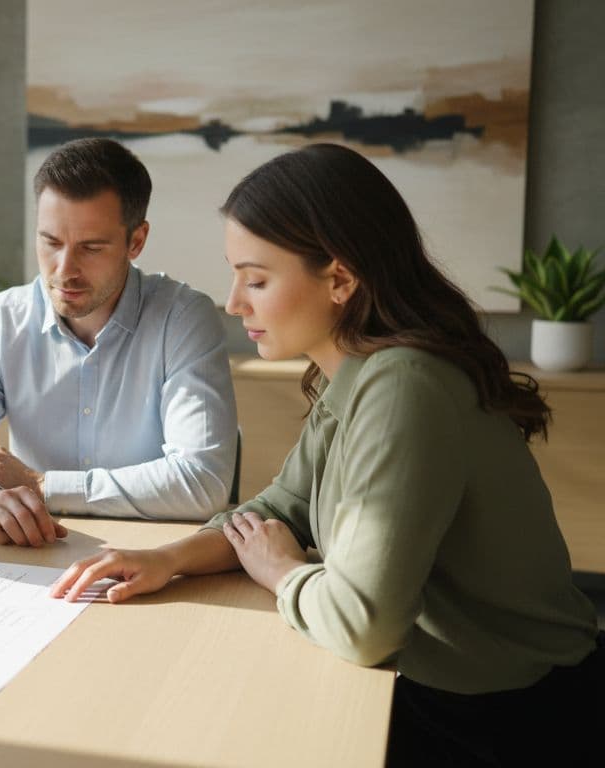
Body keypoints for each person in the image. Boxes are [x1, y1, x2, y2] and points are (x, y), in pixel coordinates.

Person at [51, 143, 602, 763]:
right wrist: (169, 559)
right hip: (443, 686)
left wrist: (281, 572)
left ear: (339, 279)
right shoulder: (360, 374)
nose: (234, 303)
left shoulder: (405, 387)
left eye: (256, 279)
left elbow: (364, 627)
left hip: (512, 717)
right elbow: (279, 508)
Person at [0, 138, 238, 547]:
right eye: (51, 242)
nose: (65, 271)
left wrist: (38, 484)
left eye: (91, 248)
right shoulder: (1, 320)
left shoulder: (183, 319)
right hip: (34, 556)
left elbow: (202, 483)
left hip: (149, 561)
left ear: (136, 241)